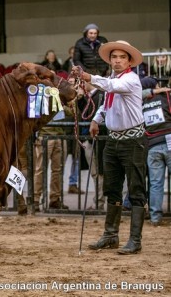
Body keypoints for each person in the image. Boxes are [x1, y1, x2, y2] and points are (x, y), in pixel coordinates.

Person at [73, 40, 147, 255]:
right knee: (112, 188)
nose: (117, 60)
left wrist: (89, 78)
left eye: (121, 57)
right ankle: (110, 235)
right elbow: (107, 104)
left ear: (129, 61)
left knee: (135, 189)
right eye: (114, 57)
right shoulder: (114, 79)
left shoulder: (131, 80)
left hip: (133, 141)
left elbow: (111, 87)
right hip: (114, 139)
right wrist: (96, 119)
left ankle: (135, 239)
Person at [141, 76, 171, 226]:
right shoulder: (166, 96)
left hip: (152, 144)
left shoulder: (139, 102)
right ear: (156, 85)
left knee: (155, 183)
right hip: (169, 139)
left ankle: (155, 217)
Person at [77, 81, 107, 210]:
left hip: (99, 139)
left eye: (82, 83)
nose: (80, 86)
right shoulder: (89, 97)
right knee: (95, 172)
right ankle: (98, 201)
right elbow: (84, 114)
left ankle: (99, 202)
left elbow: (91, 117)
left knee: (99, 172)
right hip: (90, 139)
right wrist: (80, 98)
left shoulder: (101, 95)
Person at [33, 122, 69, 211]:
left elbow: (73, 113)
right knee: (41, 169)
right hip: (44, 135)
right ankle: (35, 199)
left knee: (58, 170)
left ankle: (55, 198)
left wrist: (65, 108)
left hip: (60, 135)